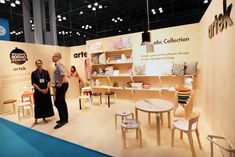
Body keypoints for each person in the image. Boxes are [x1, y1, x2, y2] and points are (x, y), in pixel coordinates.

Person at [31, 59, 54, 127]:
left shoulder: (46, 72)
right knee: (38, 105)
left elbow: (49, 81)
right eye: (37, 63)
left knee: (45, 105)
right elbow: (33, 83)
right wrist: (40, 90)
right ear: (36, 64)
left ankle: (44, 117)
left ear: (42, 64)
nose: (39, 64)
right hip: (38, 92)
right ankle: (36, 120)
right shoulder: (33, 73)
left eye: (40, 63)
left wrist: (47, 88)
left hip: (46, 91)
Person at [52, 52, 69, 129]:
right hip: (63, 85)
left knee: (57, 102)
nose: (52, 57)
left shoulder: (58, 64)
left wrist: (60, 83)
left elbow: (62, 74)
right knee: (62, 101)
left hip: (62, 85)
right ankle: (65, 119)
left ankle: (63, 120)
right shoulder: (58, 64)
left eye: (54, 56)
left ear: (57, 57)